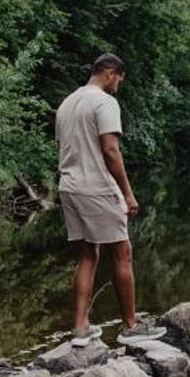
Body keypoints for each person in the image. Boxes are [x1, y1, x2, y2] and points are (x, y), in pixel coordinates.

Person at [54, 53, 149, 343]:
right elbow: (110, 150)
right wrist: (128, 193)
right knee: (122, 253)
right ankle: (131, 327)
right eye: (119, 79)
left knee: (88, 254)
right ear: (110, 73)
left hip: (69, 185)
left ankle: (81, 327)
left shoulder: (67, 103)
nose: (118, 86)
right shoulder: (105, 102)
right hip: (97, 186)